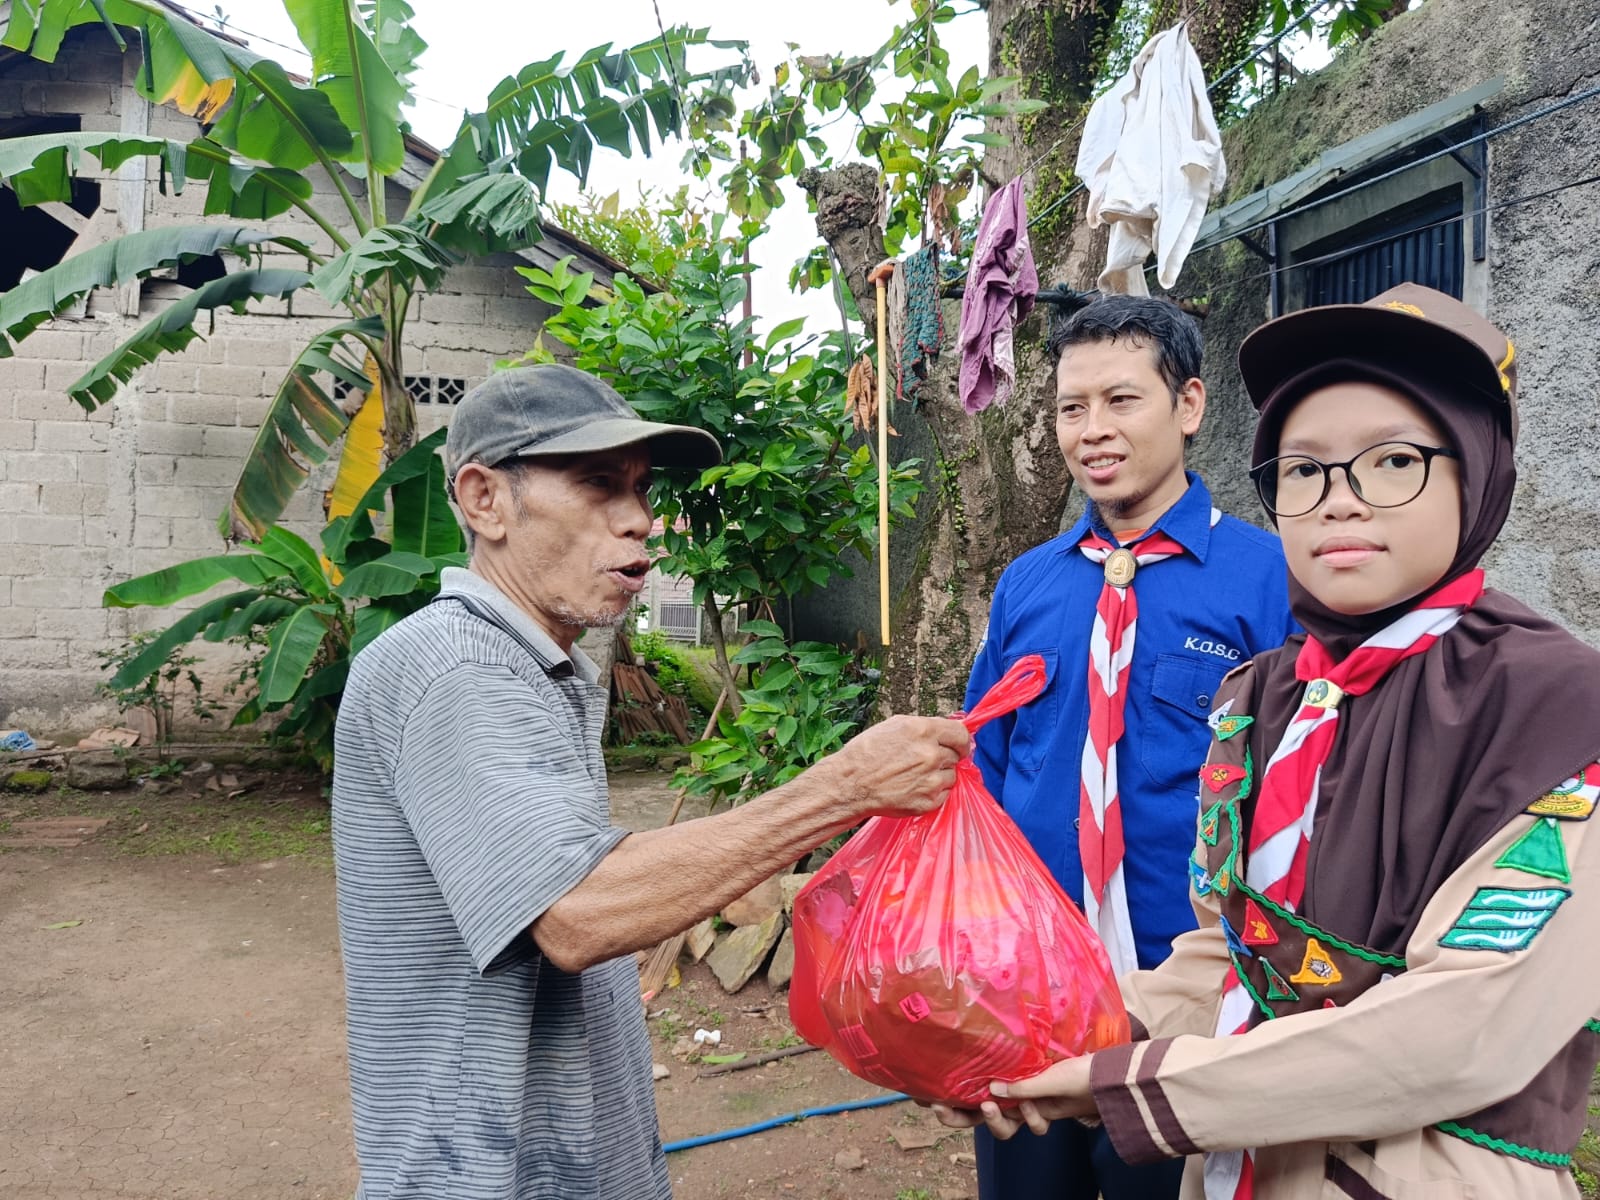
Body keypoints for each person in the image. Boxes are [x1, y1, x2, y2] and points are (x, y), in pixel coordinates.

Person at [937, 284, 1600, 1199]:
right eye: (1302, 469)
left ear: (1477, 468)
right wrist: (1042, 1033)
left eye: (1393, 461)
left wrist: (1134, 1084)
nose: (1340, 502)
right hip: (1219, 1146)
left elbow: (1466, 1027)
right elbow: (1237, 947)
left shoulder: (1555, 708)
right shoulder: (1267, 695)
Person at [330, 363, 971, 1200]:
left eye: (639, 487)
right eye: (598, 484)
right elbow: (575, 911)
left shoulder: (530, 665)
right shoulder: (457, 667)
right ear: (485, 501)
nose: (639, 518)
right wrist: (844, 787)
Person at [963, 294, 1297, 1200]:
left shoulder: (1269, 579)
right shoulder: (1027, 585)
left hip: (1188, 991)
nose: (1092, 431)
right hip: (1031, 987)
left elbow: (1300, 787)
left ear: (1188, 406)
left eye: (1121, 400)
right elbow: (987, 771)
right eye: (1072, 408)